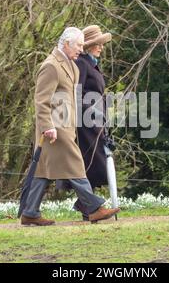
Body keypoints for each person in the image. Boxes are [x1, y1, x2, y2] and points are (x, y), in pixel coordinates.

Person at [20, 27, 120, 226]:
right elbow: (41, 100)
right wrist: (47, 126)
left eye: (83, 46)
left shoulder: (72, 65)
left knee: (42, 171)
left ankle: (30, 212)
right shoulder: (51, 65)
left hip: (66, 126)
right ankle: (94, 208)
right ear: (66, 44)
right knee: (76, 164)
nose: (81, 50)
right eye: (79, 46)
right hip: (54, 128)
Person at [72, 25, 113, 220]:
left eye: (102, 44)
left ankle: (87, 207)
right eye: (98, 44)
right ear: (88, 46)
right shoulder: (82, 63)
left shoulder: (92, 63)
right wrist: (91, 113)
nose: (101, 47)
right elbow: (76, 93)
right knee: (93, 164)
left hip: (96, 122)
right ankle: (89, 208)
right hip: (86, 123)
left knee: (96, 164)